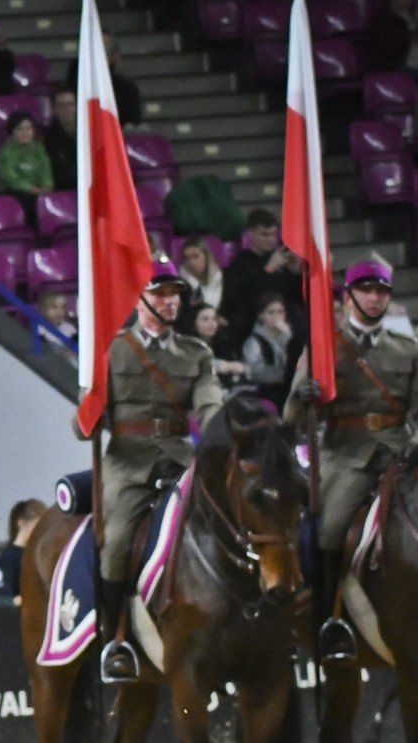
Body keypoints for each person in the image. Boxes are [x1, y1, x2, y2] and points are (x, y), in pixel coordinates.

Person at [284, 259, 418, 661]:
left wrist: (416, 443)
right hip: (346, 454)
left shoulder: (409, 349)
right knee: (329, 530)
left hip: (399, 452)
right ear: (349, 296)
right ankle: (328, 620)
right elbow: (289, 418)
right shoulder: (323, 346)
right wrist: (303, 396)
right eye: (366, 290)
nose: (374, 298)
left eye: (382, 291)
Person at [93, 259, 224, 682]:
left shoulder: (196, 353)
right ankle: (116, 640)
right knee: (116, 543)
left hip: (180, 457)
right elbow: (83, 419)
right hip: (127, 462)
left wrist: (221, 429)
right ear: (140, 297)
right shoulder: (110, 349)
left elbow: (209, 405)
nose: (171, 302)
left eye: (175, 294)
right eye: (161, 293)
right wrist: (87, 418)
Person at [219, 209, 303, 354]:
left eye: (273, 234)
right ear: (251, 233)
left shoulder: (280, 260)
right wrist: (268, 271)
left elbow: (296, 298)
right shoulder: (240, 264)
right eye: (265, 234)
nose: (271, 239)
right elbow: (245, 300)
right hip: (252, 325)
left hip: (284, 321)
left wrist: (295, 273)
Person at [66, 35, 141, 127]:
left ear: (112, 56)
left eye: (103, 51)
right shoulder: (71, 87)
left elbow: (132, 125)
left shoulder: (127, 90)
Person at [237, 292, 294, 409]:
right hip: (265, 396)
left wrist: (289, 337)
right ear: (260, 315)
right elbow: (255, 373)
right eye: (271, 312)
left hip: (288, 393)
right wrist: (285, 374)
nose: (276, 316)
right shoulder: (254, 342)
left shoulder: (288, 337)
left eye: (280, 312)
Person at [0, 111, 53, 219]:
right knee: (29, 201)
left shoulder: (38, 149)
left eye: (28, 128)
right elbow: (12, 179)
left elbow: (45, 170)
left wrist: (47, 186)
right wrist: (33, 190)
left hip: (38, 192)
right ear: (12, 132)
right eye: (20, 129)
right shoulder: (6, 153)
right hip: (16, 193)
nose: (25, 132)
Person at [0, 498, 46, 603]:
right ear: (22, 523)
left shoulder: (42, 555)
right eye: (38, 525)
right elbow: (3, 598)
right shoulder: (9, 557)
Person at [178, 237, 225, 316]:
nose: (191, 262)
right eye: (187, 258)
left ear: (206, 256)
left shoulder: (216, 275)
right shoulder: (183, 276)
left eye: (196, 256)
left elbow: (212, 306)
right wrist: (192, 283)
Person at [43, 88, 77, 192]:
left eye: (70, 104)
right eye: (62, 105)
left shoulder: (89, 130)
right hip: (63, 189)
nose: (67, 109)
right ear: (54, 110)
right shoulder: (48, 137)